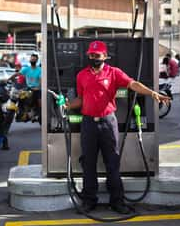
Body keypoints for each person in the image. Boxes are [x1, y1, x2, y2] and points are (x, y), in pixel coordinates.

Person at [65, 41, 170, 214]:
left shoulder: (113, 73)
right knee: (88, 163)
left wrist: (152, 93)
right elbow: (81, 99)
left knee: (112, 162)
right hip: (88, 123)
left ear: (105, 56)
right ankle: (89, 201)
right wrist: (67, 105)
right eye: (91, 55)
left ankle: (117, 201)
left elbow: (133, 84)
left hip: (108, 123)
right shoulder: (82, 75)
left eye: (97, 56)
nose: (93, 58)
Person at [10, 54, 41, 119]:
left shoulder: (39, 69)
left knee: (40, 103)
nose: (33, 60)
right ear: (30, 60)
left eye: (34, 59)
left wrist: (39, 87)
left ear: (37, 60)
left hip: (37, 90)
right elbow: (17, 74)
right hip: (28, 89)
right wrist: (8, 79)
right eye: (32, 59)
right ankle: (23, 112)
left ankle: (39, 114)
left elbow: (41, 80)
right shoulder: (26, 69)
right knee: (20, 97)